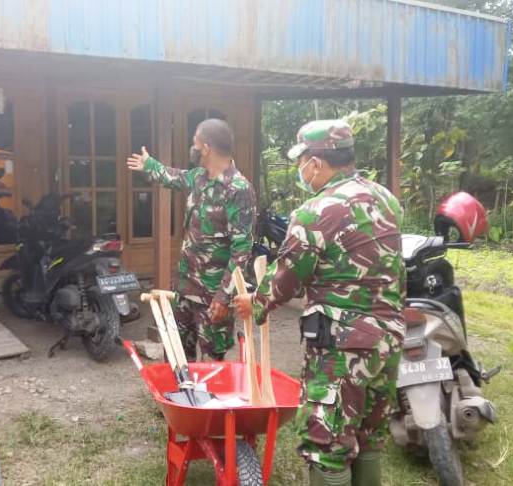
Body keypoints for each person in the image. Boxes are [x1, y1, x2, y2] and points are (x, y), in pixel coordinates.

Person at [234, 119, 405, 486]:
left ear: (317, 162)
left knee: (327, 445)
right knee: (368, 436)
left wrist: (254, 303)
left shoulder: (315, 212)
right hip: (388, 339)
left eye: (302, 162)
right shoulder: (387, 199)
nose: (301, 171)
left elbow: (286, 278)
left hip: (343, 347)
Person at [126, 119, 256, 361]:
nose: (192, 148)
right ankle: (175, 399)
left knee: (211, 366)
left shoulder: (238, 189)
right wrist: (150, 165)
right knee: (176, 357)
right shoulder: (199, 177)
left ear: (206, 147)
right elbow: (174, 177)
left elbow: (242, 251)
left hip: (213, 294)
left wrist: (223, 297)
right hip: (185, 288)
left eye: (194, 143)